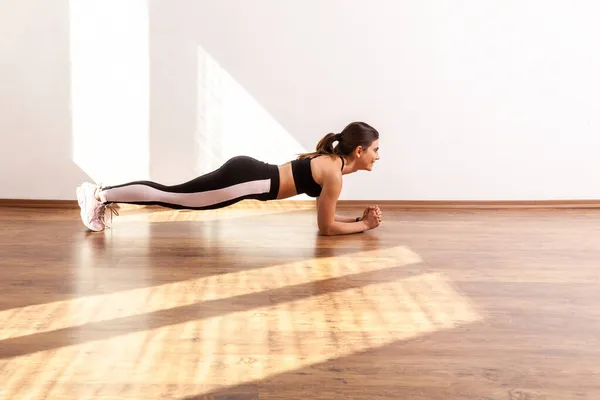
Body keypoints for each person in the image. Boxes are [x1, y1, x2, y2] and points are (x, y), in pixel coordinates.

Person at [76, 121, 383, 235]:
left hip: (247, 174)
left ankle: (101, 195)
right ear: (359, 150)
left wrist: (358, 220)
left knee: (173, 196)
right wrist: (365, 226)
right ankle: (99, 195)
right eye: (375, 150)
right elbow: (326, 228)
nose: (378, 156)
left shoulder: (332, 164)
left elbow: (325, 215)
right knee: (171, 197)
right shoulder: (334, 174)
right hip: (246, 180)